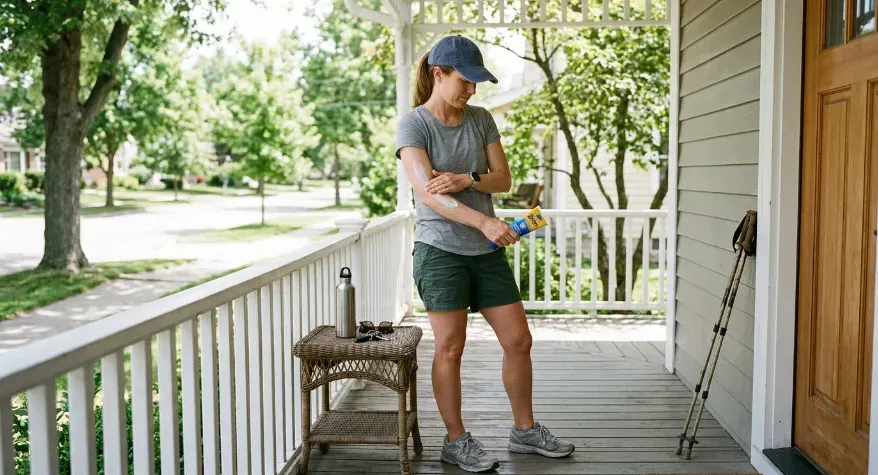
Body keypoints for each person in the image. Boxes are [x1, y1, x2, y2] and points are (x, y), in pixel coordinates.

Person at [395, 34, 575, 473]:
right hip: (441, 251)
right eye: (465, 80)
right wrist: (484, 222)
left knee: (518, 340)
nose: (472, 90)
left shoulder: (481, 120)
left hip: (487, 250)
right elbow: (428, 195)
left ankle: (525, 430)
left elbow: (502, 179)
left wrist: (467, 178)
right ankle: (455, 440)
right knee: (450, 348)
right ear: (439, 74)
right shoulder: (414, 125)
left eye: (476, 82)